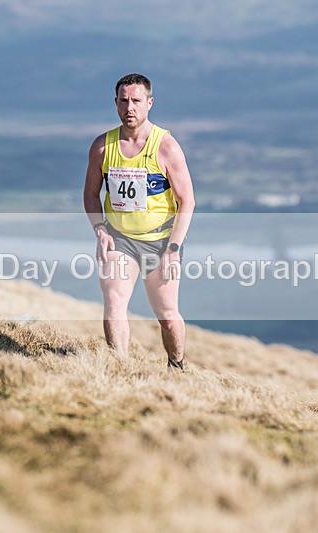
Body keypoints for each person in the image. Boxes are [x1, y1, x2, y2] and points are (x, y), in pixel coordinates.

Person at [83, 73, 195, 370]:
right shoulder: (102, 147)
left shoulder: (166, 147)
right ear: (115, 103)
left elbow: (187, 201)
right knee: (115, 303)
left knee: (168, 314)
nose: (129, 107)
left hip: (160, 242)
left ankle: (177, 366)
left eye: (136, 101)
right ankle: (120, 369)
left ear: (149, 103)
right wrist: (100, 230)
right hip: (120, 239)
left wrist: (173, 247)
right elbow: (91, 195)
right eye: (123, 101)